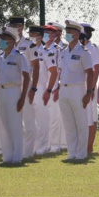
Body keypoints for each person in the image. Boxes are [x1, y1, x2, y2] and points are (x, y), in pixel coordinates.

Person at [53, 20, 96, 161]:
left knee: (81, 123)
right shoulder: (63, 52)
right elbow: (60, 71)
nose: (68, 35)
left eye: (71, 32)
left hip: (78, 89)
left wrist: (88, 92)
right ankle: (72, 153)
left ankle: (81, 153)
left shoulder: (84, 52)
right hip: (64, 89)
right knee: (68, 123)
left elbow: (90, 72)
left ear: (78, 34)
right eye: (67, 32)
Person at [0, 27, 30, 164]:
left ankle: (17, 157)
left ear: (12, 41)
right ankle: (7, 156)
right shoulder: (0, 57)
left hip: (14, 91)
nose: (1, 41)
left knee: (15, 125)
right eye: (1, 38)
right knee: (3, 125)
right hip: (1, 91)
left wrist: (23, 97)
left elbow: (26, 76)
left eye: (4, 39)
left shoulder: (19, 56)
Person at [40, 24, 62, 154]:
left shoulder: (58, 50)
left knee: (54, 117)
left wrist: (58, 86)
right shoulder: (40, 49)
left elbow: (61, 69)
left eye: (50, 33)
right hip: (42, 85)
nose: (47, 35)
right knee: (44, 118)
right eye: (45, 33)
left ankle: (54, 145)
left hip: (53, 87)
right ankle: (45, 145)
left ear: (54, 35)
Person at [80, 23, 99, 156]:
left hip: (89, 87)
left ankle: (89, 147)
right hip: (77, 86)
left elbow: (96, 69)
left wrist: (92, 88)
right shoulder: (75, 48)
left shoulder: (93, 48)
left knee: (90, 118)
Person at [22, 25, 44, 158]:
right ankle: (25, 148)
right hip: (19, 85)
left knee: (36, 119)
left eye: (34, 34)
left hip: (36, 85)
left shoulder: (45, 50)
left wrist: (34, 88)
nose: (32, 36)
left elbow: (37, 68)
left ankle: (36, 148)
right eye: (30, 34)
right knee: (23, 120)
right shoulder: (18, 45)